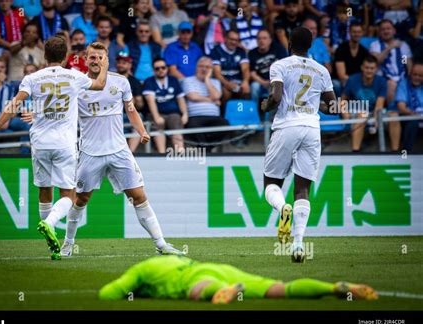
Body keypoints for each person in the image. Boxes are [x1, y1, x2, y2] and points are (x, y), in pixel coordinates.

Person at [0, 37, 109, 259]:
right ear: (66, 56)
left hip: (40, 143)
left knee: (44, 191)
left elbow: (14, 105)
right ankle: (50, 223)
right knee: (69, 195)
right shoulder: (74, 76)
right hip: (64, 143)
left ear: (44, 55)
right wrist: (104, 63)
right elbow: (99, 84)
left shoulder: (32, 78)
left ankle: (49, 242)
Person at [58, 48, 185, 257]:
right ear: (85, 59)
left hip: (119, 150)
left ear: (106, 59)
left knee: (139, 196)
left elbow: (131, 110)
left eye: (100, 57)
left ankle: (161, 244)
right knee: (80, 199)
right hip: (90, 152)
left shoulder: (121, 82)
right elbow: (62, 110)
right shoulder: (77, 84)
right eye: (92, 57)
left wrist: (142, 131)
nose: (96, 60)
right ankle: (68, 244)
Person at [261, 27, 336, 262]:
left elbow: (275, 96)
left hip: (287, 127)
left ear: (290, 42)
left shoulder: (280, 65)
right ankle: (298, 245)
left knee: (271, 184)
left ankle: (283, 208)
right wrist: (314, 106)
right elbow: (332, 107)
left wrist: (265, 106)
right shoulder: (322, 70)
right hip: (312, 130)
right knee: (303, 190)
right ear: (311, 45)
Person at [99, 255, 378, 303]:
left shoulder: (142, 270)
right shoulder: (169, 260)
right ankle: (334, 287)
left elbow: (108, 294)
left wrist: (132, 289)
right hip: (222, 268)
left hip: (201, 275)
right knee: (281, 288)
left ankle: (227, 291)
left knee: (199, 290)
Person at [341, 56, 387, 152]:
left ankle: (393, 152)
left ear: (376, 69)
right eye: (366, 68)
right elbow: (343, 99)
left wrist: (375, 119)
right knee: (361, 115)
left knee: (391, 116)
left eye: (372, 68)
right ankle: (355, 151)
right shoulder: (352, 79)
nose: (369, 71)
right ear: (362, 67)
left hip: (372, 111)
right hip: (355, 110)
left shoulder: (382, 81)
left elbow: (379, 104)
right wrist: (344, 112)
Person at [183, 57, 229, 151]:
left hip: (214, 117)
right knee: (193, 128)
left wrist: (207, 79)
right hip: (195, 116)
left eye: (207, 67)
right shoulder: (188, 80)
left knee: (225, 125)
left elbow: (216, 96)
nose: (204, 69)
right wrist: (212, 100)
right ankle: (207, 150)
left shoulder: (215, 82)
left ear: (211, 70)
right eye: (201, 66)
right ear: (196, 67)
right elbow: (193, 97)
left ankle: (205, 149)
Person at [143, 57, 188, 153]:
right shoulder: (149, 81)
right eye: (157, 68)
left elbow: (181, 99)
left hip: (173, 113)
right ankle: (161, 155)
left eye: (163, 67)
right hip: (156, 113)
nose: (160, 70)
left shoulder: (173, 80)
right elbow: (150, 101)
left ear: (167, 68)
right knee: (157, 127)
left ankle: (181, 153)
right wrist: (156, 117)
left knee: (176, 123)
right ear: (153, 70)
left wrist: (185, 114)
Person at [369, 19, 413, 104]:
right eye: (383, 29)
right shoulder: (375, 45)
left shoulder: (402, 45)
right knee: (391, 84)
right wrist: (390, 47)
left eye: (388, 29)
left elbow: (407, 64)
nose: (386, 31)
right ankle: (392, 109)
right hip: (381, 79)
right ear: (379, 32)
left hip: (401, 77)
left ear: (394, 31)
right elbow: (376, 61)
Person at [210, 30, 250, 106]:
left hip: (238, 81)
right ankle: (226, 116)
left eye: (237, 40)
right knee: (226, 92)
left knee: (246, 90)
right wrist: (227, 84)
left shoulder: (241, 51)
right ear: (225, 38)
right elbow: (217, 73)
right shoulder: (216, 51)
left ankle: (243, 115)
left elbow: (245, 69)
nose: (234, 42)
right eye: (231, 39)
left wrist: (245, 81)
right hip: (223, 82)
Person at [115, 52, 145, 152]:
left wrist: (137, 102)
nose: (120, 64)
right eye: (119, 62)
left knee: (139, 118)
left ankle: (130, 153)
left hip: (128, 114)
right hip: (113, 113)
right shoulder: (110, 79)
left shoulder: (134, 82)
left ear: (129, 65)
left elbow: (140, 105)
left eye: (124, 62)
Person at [249, 28, 287, 104]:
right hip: (261, 82)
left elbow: (285, 68)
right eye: (259, 38)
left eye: (264, 38)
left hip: (277, 81)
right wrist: (263, 82)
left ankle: (275, 114)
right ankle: (254, 112)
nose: (261, 41)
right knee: (254, 86)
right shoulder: (252, 53)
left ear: (270, 40)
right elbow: (252, 73)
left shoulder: (279, 49)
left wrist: (274, 81)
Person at [394, 63, 423, 153]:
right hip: (409, 117)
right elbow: (402, 107)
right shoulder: (403, 84)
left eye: (420, 75)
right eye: (415, 74)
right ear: (410, 74)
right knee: (413, 122)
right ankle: (407, 152)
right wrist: (416, 115)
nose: (417, 78)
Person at [334, 22, 369, 89]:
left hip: (358, 81)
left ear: (362, 33)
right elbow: (341, 75)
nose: (356, 34)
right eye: (354, 32)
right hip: (342, 81)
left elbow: (365, 72)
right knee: (336, 84)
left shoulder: (364, 51)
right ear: (349, 33)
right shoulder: (341, 49)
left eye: (359, 32)